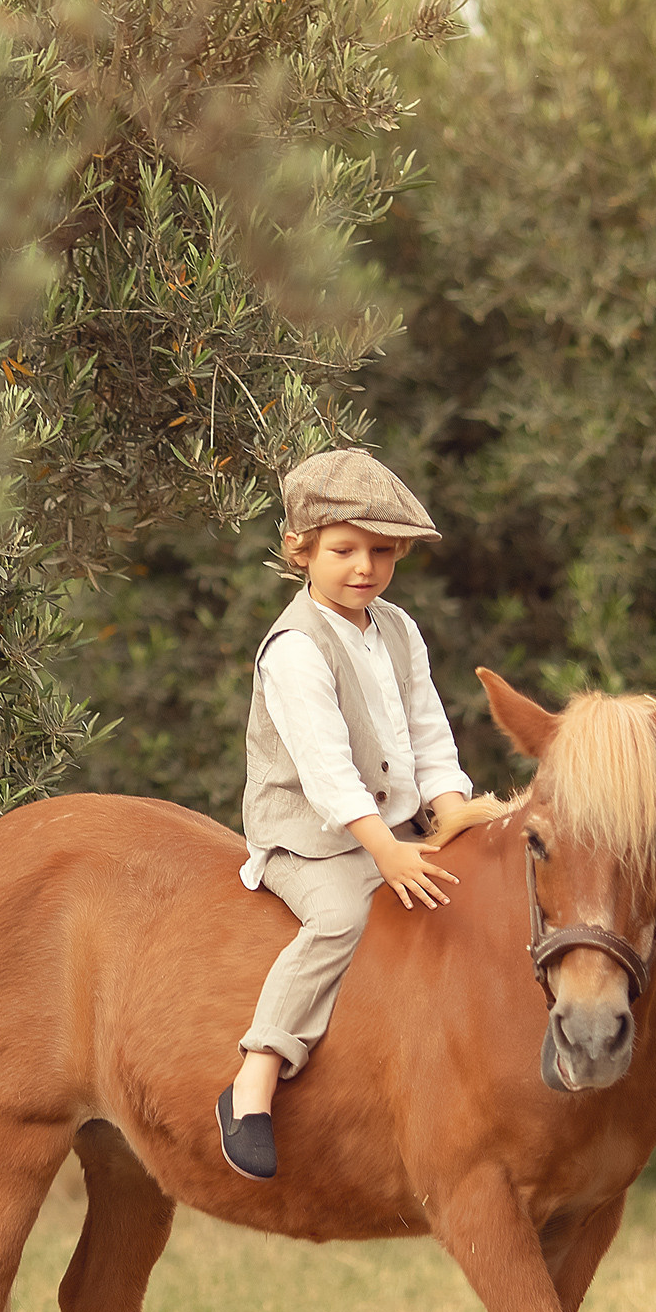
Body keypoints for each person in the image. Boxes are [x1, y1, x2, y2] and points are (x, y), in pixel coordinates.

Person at [217, 447, 473, 1181]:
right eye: (343, 550)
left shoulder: (396, 628)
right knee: (342, 919)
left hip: (391, 824)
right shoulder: (295, 649)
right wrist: (386, 853)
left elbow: (428, 732)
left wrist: (450, 815)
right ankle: (255, 1076)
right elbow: (327, 773)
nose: (363, 567)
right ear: (301, 551)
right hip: (312, 837)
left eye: (381, 552)